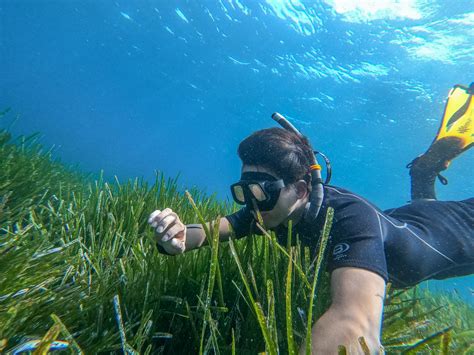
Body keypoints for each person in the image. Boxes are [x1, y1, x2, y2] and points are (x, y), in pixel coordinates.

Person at [147, 83, 474, 354]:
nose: (251, 205)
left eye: (260, 191)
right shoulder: (269, 211)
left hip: (463, 228)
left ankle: (424, 170)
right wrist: (175, 237)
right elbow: (207, 233)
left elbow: (354, 323)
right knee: (419, 216)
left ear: (301, 190)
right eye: (242, 191)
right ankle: (424, 170)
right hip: (415, 218)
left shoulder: (348, 219)